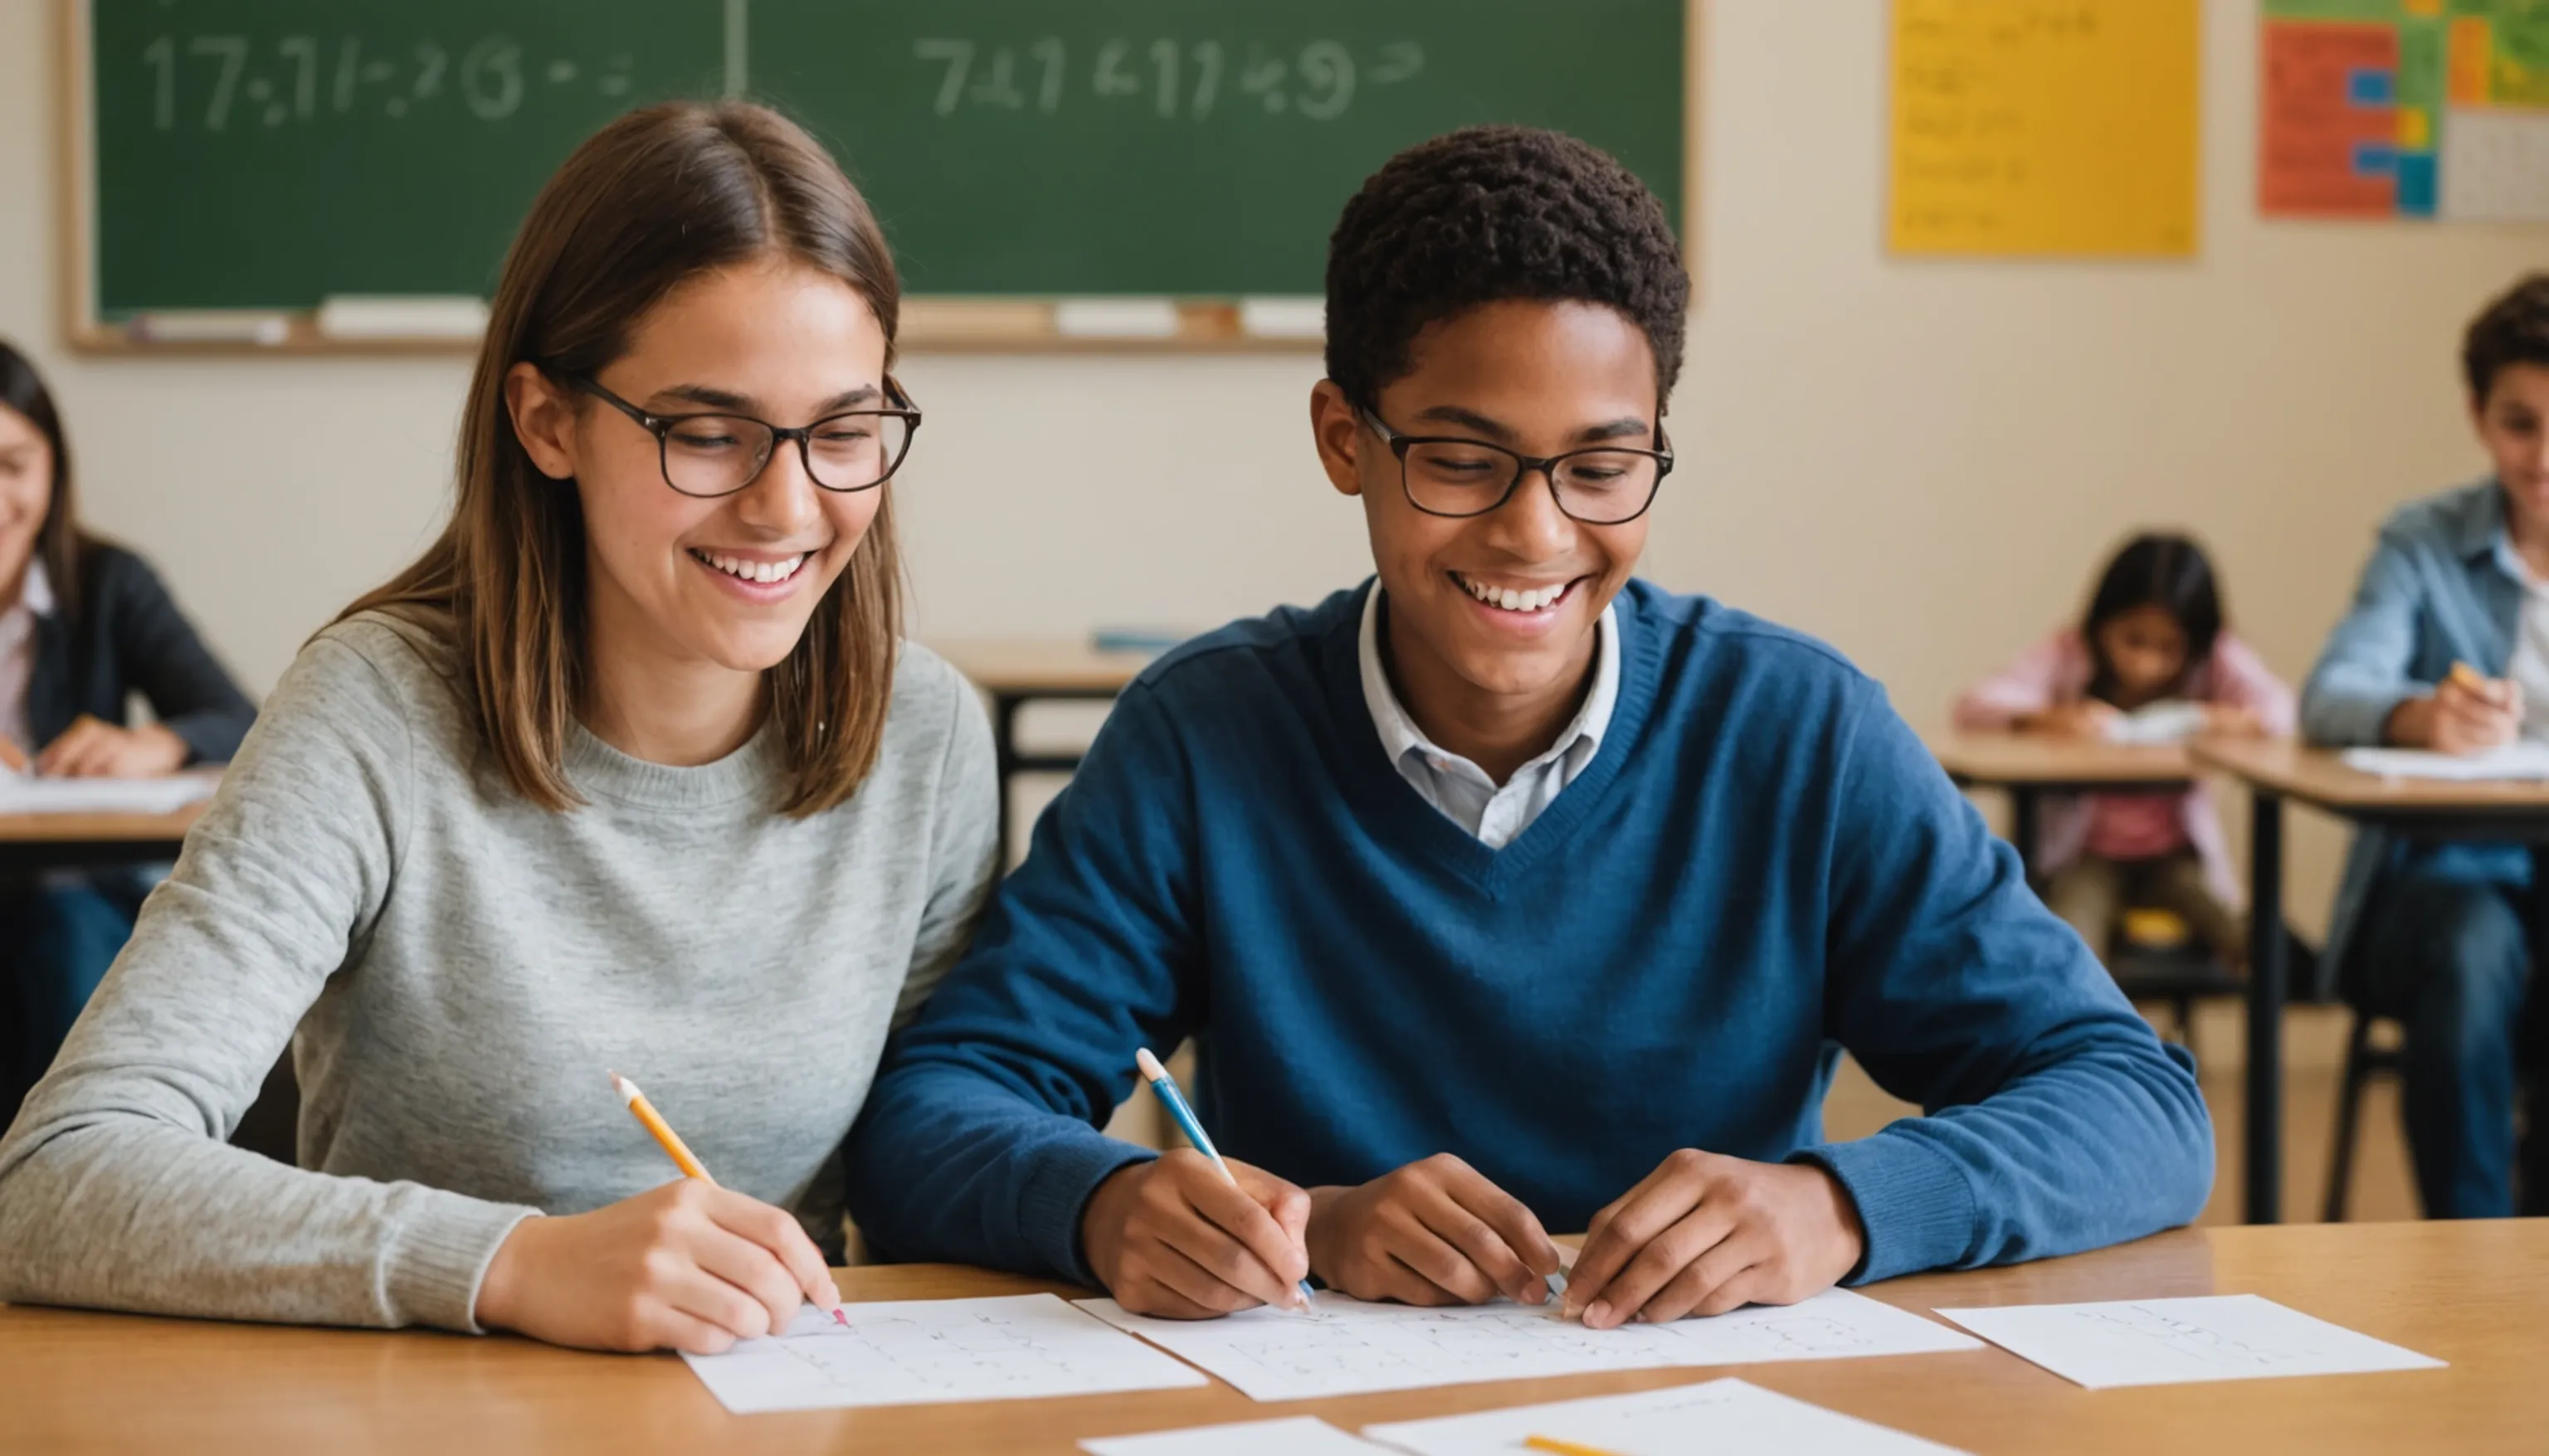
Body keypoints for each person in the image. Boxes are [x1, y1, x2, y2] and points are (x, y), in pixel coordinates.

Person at [844, 126, 2210, 1328]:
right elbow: (930, 1119)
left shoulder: (1795, 733)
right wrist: (1166, 1209)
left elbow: (2135, 1106)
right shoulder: (1209, 739)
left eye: (1602, 466)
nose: (1535, 530)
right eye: (1460, 458)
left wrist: (1838, 1208)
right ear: (1343, 440)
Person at [0, 100, 999, 1352]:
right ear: (547, 422)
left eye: (846, 431)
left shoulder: (926, 734)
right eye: (707, 431)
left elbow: (929, 1154)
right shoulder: (376, 709)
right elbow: (56, 1176)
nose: (786, 504)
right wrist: (512, 1262)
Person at [2300, 271, 2549, 1219]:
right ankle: (2478, 1248)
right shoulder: (2423, 542)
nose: (2544, 457)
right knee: (2473, 949)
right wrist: (2418, 719)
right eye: (2521, 423)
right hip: (2442, 883)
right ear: (2478, 416)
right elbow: (2332, 696)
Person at [0, 339, 256, 1123]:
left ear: (53, 471)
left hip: (70, 891)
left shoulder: (109, 582)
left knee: (63, 928)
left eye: (13, 465)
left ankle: (79, 1175)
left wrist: (159, 742)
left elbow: (240, 716)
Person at [1954, 533, 2293, 965]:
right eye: (2132, 640)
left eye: (2168, 649)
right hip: (2084, 855)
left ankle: (2295, 980)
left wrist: (2226, 719)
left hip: (2172, 853)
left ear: (2196, 644)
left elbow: (2281, 711)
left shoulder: (2216, 658)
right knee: (2070, 944)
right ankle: (2080, 1027)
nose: (2145, 663)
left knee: (2241, 931)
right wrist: (2043, 717)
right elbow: (1975, 704)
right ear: (2101, 624)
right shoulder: (2068, 652)